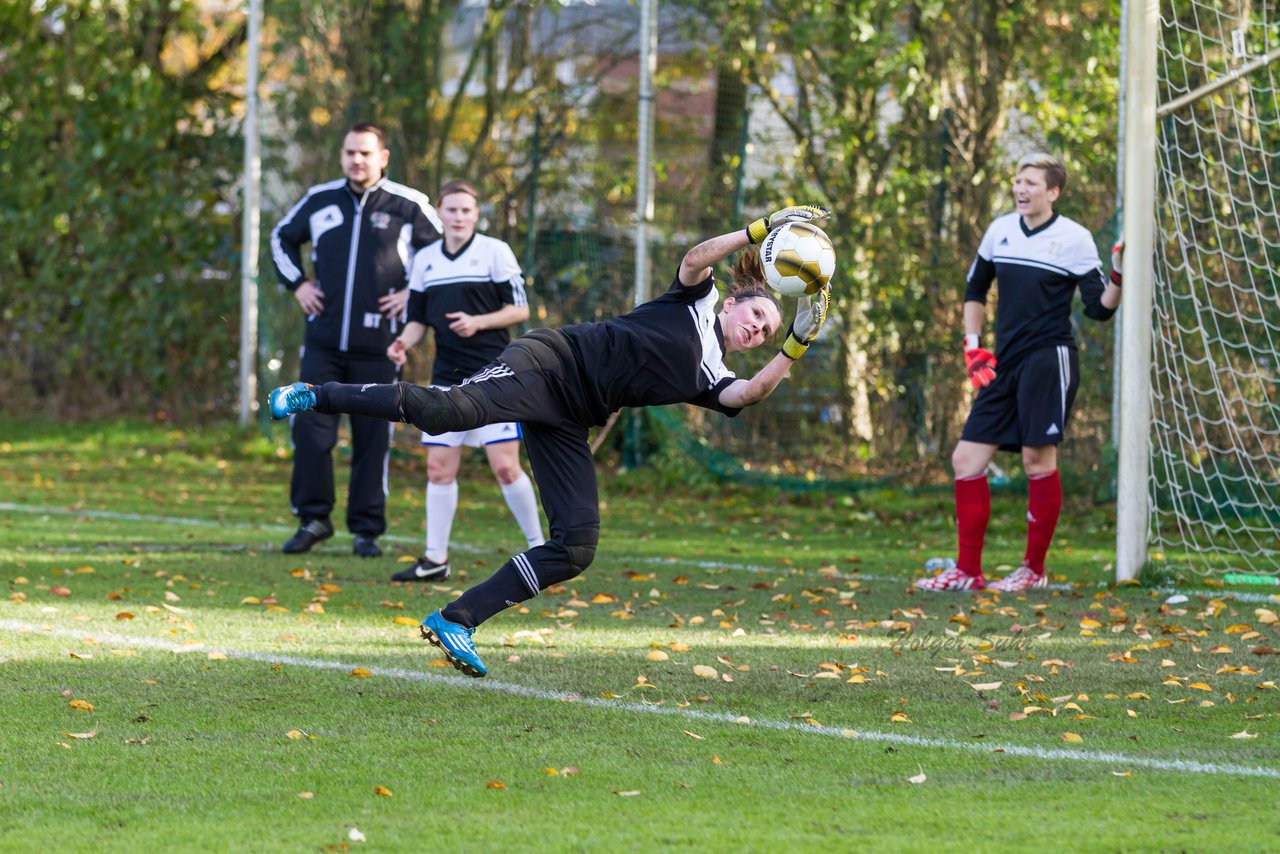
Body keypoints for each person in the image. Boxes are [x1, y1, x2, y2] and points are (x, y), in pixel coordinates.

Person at [268, 204, 832, 675]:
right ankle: (314, 393)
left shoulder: (716, 375)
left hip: (570, 415)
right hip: (548, 363)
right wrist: (763, 229)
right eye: (756, 313)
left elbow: (748, 394)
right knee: (448, 412)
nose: (758, 328)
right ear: (734, 302)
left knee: (577, 545)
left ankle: (456, 619)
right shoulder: (698, 300)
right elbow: (693, 258)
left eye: (766, 331)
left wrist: (796, 345)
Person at [915, 152, 1124, 593]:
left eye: (1031, 183)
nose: (1021, 189)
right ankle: (968, 572)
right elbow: (975, 290)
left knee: (1036, 461)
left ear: (1054, 192)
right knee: (966, 460)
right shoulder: (1000, 230)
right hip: (1002, 363)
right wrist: (973, 347)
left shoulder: (1075, 238)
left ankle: (1033, 570)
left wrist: (1119, 277)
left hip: (1049, 361)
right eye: (1017, 180)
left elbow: (1097, 310)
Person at [269, 122, 442, 557]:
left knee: (372, 438)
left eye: (365, 153)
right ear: (342, 155)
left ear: (383, 157)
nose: (356, 160)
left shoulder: (409, 205)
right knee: (310, 431)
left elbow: (443, 256)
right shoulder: (320, 199)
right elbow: (280, 239)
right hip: (323, 343)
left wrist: (411, 294)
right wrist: (298, 285)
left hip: (381, 346)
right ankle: (313, 520)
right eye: (350, 152)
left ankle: (367, 530)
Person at [385, 179, 544, 583]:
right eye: (451, 210)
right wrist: (403, 342)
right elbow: (418, 318)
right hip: (445, 382)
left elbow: (519, 310)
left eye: (466, 210)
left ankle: (542, 549)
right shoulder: (424, 260)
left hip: (496, 378)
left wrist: (478, 322)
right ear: (439, 213)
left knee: (506, 468)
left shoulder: (495, 252)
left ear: (476, 215)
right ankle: (435, 560)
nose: (458, 217)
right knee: (438, 468)